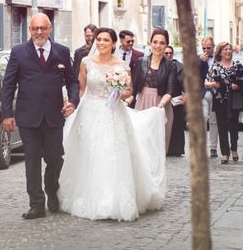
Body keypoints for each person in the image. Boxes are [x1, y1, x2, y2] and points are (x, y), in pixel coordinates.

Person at [59, 27, 166, 221]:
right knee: (89, 153)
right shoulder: (86, 62)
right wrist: (74, 108)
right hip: (89, 111)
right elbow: (82, 89)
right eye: (98, 39)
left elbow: (129, 91)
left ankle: (114, 198)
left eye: (105, 40)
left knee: (112, 153)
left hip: (113, 112)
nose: (100, 43)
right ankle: (87, 195)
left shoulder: (122, 65)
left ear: (113, 43)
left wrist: (117, 88)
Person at [1, 12, 79, 220]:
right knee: (32, 161)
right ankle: (36, 204)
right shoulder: (19, 52)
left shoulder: (61, 52)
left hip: (54, 116)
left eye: (43, 28)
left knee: (55, 158)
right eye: (35, 28)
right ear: (29, 30)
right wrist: (7, 114)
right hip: (28, 118)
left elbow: (72, 81)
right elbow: (8, 84)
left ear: (50, 29)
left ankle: (51, 188)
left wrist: (72, 101)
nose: (39, 32)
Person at [129, 27, 175, 151]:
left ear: (166, 45)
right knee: (141, 146)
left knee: (157, 148)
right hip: (142, 106)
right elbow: (133, 88)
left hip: (161, 106)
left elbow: (170, 91)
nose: (158, 46)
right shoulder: (140, 62)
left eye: (162, 43)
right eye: (155, 42)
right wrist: (127, 100)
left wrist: (160, 105)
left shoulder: (171, 65)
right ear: (150, 43)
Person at [205, 42, 243, 164]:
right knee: (221, 127)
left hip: (234, 100)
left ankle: (234, 149)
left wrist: (238, 86)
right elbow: (206, 82)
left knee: (234, 126)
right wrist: (214, 84)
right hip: (219, 99)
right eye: (225, 49)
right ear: (220, 52)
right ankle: (224, 153)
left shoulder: (237, 65)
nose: (228, 51)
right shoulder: (215, 67)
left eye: (229, 49)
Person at [198, 36, 218, 158]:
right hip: (203, 92)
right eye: (204, 48)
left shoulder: (218, 59)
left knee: (214, 121)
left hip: (216, 92)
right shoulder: (198, 59)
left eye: (208, 48)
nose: (206, 50)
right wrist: (201, 61)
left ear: (213, 47)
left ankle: (213, 148)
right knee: (202, 118)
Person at [164, 45, 185, 157]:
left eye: (170, 53)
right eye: (166, 53)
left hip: (176, 99)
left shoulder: (180, 67)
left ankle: (176, 149)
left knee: (176, 125)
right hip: (162, 97)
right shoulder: (159, 65)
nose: (168, 55)